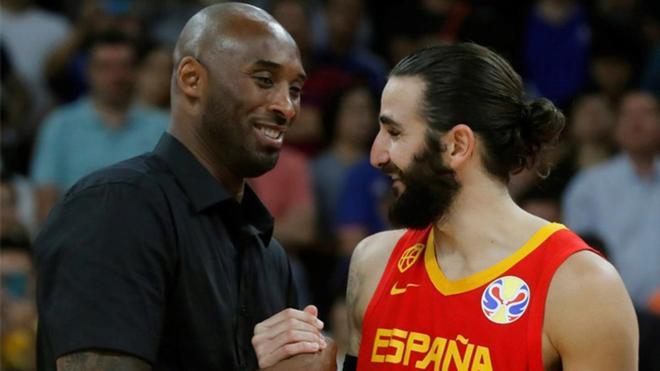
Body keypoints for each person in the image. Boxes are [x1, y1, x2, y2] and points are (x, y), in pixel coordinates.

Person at [34, 3, 336, 370]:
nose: (286, 107)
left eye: (296, 89)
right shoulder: (116, 207)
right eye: (264, 80)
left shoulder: (269, 255)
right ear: (192, 79)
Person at [344, 43, 638, 370]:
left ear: (457, 145)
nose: (376, 154)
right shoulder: (373, 262)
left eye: (394, 132)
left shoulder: (582, 287)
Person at [30, 29, 168, 222]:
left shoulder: (164, 126)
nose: (116, 75)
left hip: (146, 240)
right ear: (88, 71)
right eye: (105, 67)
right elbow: (45, 201)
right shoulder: (60, 124)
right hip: (75, 238)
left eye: (124, 66)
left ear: (136, 71)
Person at [562, 91, 660, 312]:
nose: (637, 122)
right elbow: (578, 257)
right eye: (628, 114)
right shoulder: (588, 185)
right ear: (616, 126)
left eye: (647, 113)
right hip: (611, 311)